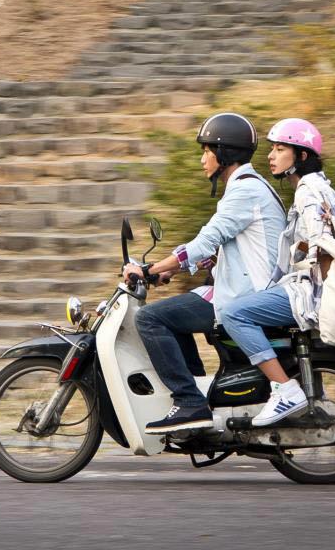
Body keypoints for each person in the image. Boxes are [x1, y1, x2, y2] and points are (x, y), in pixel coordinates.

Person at [122, 113, 286, 434]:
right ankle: (197, 392)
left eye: (207, 151)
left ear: (224, 153)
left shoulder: (243, 191)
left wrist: (149, 269)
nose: (202, 159)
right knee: (173, 315)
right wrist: (170, 272)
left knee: (150, 319)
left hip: (246, 296)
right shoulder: (248, 187)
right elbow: (224, 250)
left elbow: (204, 242)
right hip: (245, 286)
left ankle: (188, 401)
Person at [222, 118, 335, 427]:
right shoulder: (318, 187)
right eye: (271, 149)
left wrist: (320, 295)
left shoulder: (308, 192)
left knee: (233, 313)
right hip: (316, 287)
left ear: (302, 156)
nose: (271, 156)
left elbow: (323, 246)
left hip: (316, 291)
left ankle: (284, 389)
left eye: (281, 149)